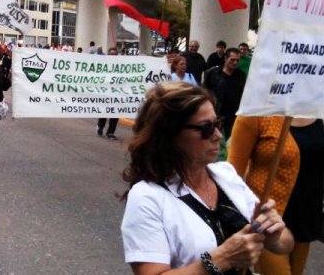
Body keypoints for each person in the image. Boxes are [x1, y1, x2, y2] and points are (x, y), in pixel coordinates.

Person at [121, 82, 294, 274]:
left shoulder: (226, 174)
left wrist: (274, 232)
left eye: (217, 124)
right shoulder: (147, 196)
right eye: (206, 128)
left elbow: (285, 245)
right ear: (170, 134)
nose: (218, 135)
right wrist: (221, 259)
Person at [228, 117, 324, 275]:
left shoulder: (316, 111)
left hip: (306, 218)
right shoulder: (256, 114)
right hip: (267, 221)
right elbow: (231, 176)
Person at [203, 47, 246, 139]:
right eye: (232, 60)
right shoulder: (213, 74)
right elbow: (205, 91)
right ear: (225, 59)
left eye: (237, 60)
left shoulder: (241, 76)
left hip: (234, 116)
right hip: (216, 114)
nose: (235, 63)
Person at [97, 47, 120, 140]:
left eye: (115, 54)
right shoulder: (103, 65)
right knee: (104, 112)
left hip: (118, 94)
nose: (113, 56)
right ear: (108, 55)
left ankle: (110, 132)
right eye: (111, 54)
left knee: (115, 113)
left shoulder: (122, 66)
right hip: (105, 93)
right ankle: (100, 126)